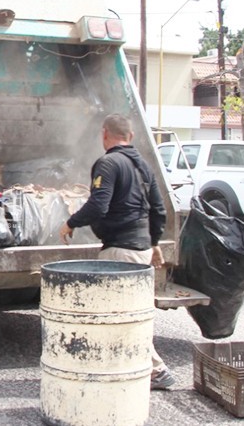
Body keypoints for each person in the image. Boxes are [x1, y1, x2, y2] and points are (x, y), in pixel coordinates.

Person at [59, 113, 175, 390]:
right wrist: (155, 243)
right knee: (124, 314)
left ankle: (155, 370)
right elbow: (157, 209)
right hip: (141, 249)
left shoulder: (108, 163)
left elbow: (99, 205)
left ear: (105, 134)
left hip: (120, 254)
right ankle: (113, 366)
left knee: (117, 316)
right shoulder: (143, 167)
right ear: (131, 137)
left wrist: (70, 222)